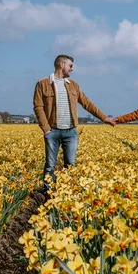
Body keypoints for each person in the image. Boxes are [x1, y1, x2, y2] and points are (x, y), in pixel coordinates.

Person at [33, 54, 115, 189]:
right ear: (62, 65)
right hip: (52, 131)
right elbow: (38, 107)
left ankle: (67, 192)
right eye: (70, 66)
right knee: (50, 165)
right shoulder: (42, 84)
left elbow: (87, 103)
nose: (72, 69)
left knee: (70, 164)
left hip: (70, 131)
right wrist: (46, 129)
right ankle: (48, 193)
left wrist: (104, 118)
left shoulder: (74, 86)